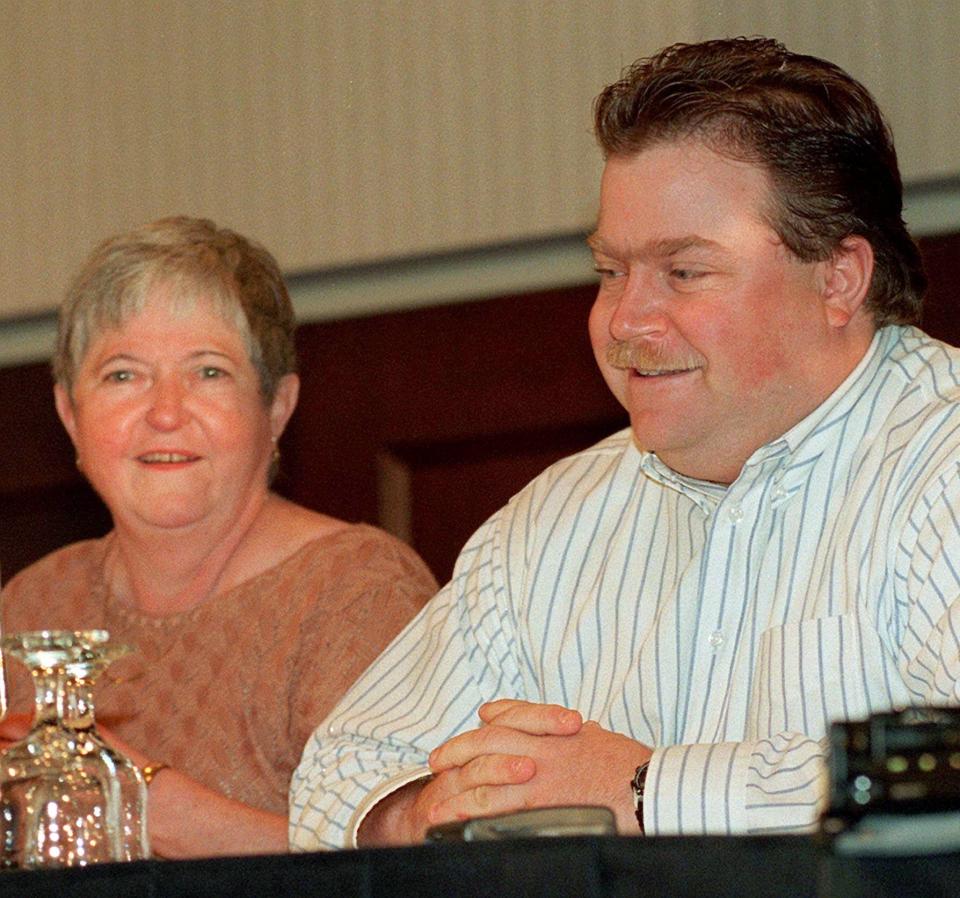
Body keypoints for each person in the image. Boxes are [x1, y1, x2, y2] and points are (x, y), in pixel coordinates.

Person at [289, 36, 960, 850]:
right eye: (611, 272)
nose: (625, 322)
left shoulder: (940, 456)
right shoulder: (556, 519)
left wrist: (649, 793)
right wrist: (424, 812)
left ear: (838, 279)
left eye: (683, 272)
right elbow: (342, 770)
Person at [0, 216, 437, 858]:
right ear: (70, 414)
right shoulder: (32, 605)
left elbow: (402, 873)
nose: (166, 412)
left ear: (277, 408)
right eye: (124, 375)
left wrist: (152, 808)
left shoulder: (358, 593)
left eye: (208, 372)